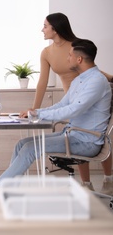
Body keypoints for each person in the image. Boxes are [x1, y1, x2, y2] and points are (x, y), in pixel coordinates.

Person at [0, 39, 112, 189]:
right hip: (72, 134)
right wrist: (36, 112)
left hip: (87, 141)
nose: (67, 58)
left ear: (79, 59)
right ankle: (10, 188)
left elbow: (74, 109)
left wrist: (39, 116)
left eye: (69, 55)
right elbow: (62, 105)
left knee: (31, 148)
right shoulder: (79, 80)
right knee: (22, 144)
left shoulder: (96, 81)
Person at [19, 13, 113, 195]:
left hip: (89, 92)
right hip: (69, 95)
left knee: (94, 134)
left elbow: (93, 70)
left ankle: (108, 178)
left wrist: (110, 79)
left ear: (55, 27)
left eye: (45, 26)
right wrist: (34, 110)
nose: (42, 30)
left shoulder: (76, 46)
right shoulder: (46, 53)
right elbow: (42, 82)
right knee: (78, 134)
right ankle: (87, 184)